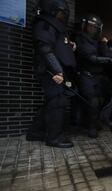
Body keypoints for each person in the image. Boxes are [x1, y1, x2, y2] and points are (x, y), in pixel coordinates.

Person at [26, 0, 76, 148]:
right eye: (61, 13)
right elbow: (45, 49)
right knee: (58, 101)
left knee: (54, 101)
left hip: (56, 71)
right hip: (51, 71)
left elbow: (56, 46)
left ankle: (35, 132)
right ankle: (54, 138)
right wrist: (57, 71)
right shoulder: (45, 24)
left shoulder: (53, 25)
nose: (63, 16)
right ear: (52, 11)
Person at [75, 14, 112, 138]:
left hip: (98, 77)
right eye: (90, 26)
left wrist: (103, 44)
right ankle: (90, 127)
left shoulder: (96, 42)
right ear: (85, 26)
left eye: (94, 27)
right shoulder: (80, 38)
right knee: (91, 101)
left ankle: (94, 122)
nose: (92, 29)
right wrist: (109, 60)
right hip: (87, 75)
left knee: (100, 100)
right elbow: (91, 58)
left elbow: (104, 53)